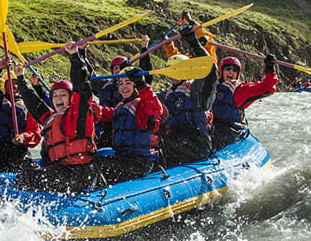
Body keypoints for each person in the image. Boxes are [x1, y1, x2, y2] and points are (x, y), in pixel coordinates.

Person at [13, 42, 102, 193]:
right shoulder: (51, 117)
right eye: (55, 96)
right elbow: (33, 102)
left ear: (71, 98)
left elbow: (81, 85)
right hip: (62, 171)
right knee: (26, 170)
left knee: (27, 178)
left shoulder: (79, 112)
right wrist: (21, 78)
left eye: (63, 95)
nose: (58, 98)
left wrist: (75, 56)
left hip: (81, 173)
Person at [160, 21, 218, 167]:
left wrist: (194, 42)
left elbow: (211, 71)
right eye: (173, 70)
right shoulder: (167, 94)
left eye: (178, 70)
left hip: (197, 142)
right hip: (177, 139)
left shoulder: (196, 89)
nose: (175, 73)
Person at [97, 66, 166, 185]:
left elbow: (155, 109)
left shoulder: (141, 105)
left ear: (135, 86)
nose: (124, 87)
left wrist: (142, 85)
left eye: (128, 83)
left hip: (141, 162)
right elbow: (101, 112)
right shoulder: (121, 106)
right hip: (123, 158)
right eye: (120, 83)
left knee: (102, 168)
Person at [0, 57, 42, 172]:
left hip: (17, 151)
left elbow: (35, 132)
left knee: (31, 169)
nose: (15, 87)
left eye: (17, 84)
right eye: (11, 84)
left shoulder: (28, 106)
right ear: (4, 86)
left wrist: (23, 137)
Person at [92, 35, 152, 148]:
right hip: (107, 125)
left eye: (120, 68)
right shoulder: (104, 84)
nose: (118, 70)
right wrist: (80, 52)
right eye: (115, 68)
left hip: (126, 124)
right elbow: (87, 76)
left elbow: (145, 75)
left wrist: (144, 48)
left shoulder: (136, 86)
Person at [211, 53, 279, 150]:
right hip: (211, 127)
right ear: (221, 71)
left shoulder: (240, 90)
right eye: (228, 69)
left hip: (231, 130)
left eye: (235, 70)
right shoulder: (211, 87)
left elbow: (267, 87)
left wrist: (269, 69)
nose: (231, 72)